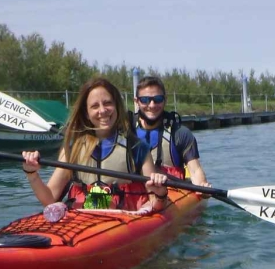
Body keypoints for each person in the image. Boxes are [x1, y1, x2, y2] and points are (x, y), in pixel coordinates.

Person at [22, 77, 169, 212]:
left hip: (125, 221)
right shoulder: (73, 149)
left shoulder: (137, 148)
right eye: (95, 106)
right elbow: (49, 199)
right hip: (82, 220)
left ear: (117, 106)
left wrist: (160, 194)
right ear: (86, 113)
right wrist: (32, 174)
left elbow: (156, 204)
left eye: (108, 103)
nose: (103, 110)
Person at [131, 75, 209, 187]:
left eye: (158, 99)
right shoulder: (125, 131)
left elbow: (195, 171)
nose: (152, 105)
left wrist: (202, 186)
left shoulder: (180, 133)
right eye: (145, 100)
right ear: (136, 101)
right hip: (133, 193)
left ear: (165, 100)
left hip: (170, 192)